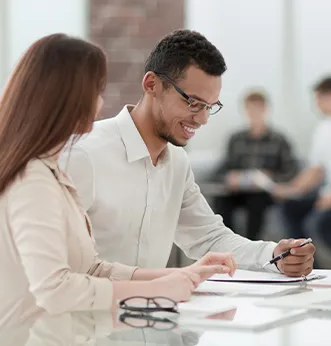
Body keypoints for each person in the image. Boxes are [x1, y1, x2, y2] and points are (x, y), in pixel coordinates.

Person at [0, 33, 237, 327]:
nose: (99, 103)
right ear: (63, 96)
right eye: (96, 91)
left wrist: (177, 276)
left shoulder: (52, 172)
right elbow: (54, 289)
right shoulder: (35, 178)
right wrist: (154, 290)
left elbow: (90, 268)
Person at [60, 30, 315, 278]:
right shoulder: (84, 155)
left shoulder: (177, 163)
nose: (202, 119)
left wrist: (274, 255)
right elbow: (55, 270)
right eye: (192, 102)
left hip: (150, 313)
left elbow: (209, 237)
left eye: (209, 107)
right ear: (152, 85)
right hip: (86, 316)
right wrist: (168, 281)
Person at [275, 77, 331, 268]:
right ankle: (311, 268)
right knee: (289, 208)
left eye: (318, 100)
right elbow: (315, 170)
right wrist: (290, 189)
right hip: (330, 191)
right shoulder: (323, 128)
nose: (316, 105)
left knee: (318, 224)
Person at [212, 91, 298, 240]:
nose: (254, 114)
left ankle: (251, 244)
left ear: (265, 109)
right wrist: (230, 178)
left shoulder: (279, 139)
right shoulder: (236, 139)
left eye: (258, 109)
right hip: (239, 191)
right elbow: (221, 170)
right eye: (250, 109)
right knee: (221, 199)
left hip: (264, 193)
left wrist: (270, 177)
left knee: (256, 199)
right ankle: (227, 243)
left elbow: (290, 171)